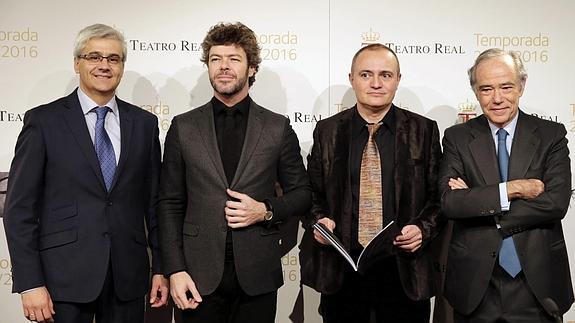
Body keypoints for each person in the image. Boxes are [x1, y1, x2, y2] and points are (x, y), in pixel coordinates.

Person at [2, 23, 168, 323]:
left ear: (122, 67)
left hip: (127, 280)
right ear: (77, 63)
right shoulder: (43, 121)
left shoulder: (144, 124)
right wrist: (29, 282)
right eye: (94, 57)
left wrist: (160, 269)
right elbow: (19, 209)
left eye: (113, 59)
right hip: (61, 282)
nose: (104, 65)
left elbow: (154, 205)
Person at [157, 22, 311, 323]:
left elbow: (303, 195)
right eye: (216, 59)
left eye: (233, 59)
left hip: (257, 276)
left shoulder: (277, 127)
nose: (223, 67)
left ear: (252, 68)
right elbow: (169, 203)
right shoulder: (183, 126)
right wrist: (174, 269)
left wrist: (265, 210)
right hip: (196, 276)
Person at [300, 43, 442, 322]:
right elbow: (310, 193)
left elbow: (439, 197)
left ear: (398, 80)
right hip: (343, 270)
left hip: (403, 270)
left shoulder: (423, 130)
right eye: (366, 75)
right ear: (351, 79)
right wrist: (319, 221)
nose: (376, 83)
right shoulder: (327, 131)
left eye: (385, 75)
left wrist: (423, 230)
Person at [439, 48, 574, 322]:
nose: (497, 98)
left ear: (521, 86)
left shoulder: (551, 135)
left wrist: (479, 203)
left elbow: (556, 202)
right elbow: (450, 203)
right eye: (486, 89)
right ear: (475, 92)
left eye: (506, 87)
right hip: (476, 285)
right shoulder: (457, 137)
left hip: (537, 284)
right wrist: (513, 189)